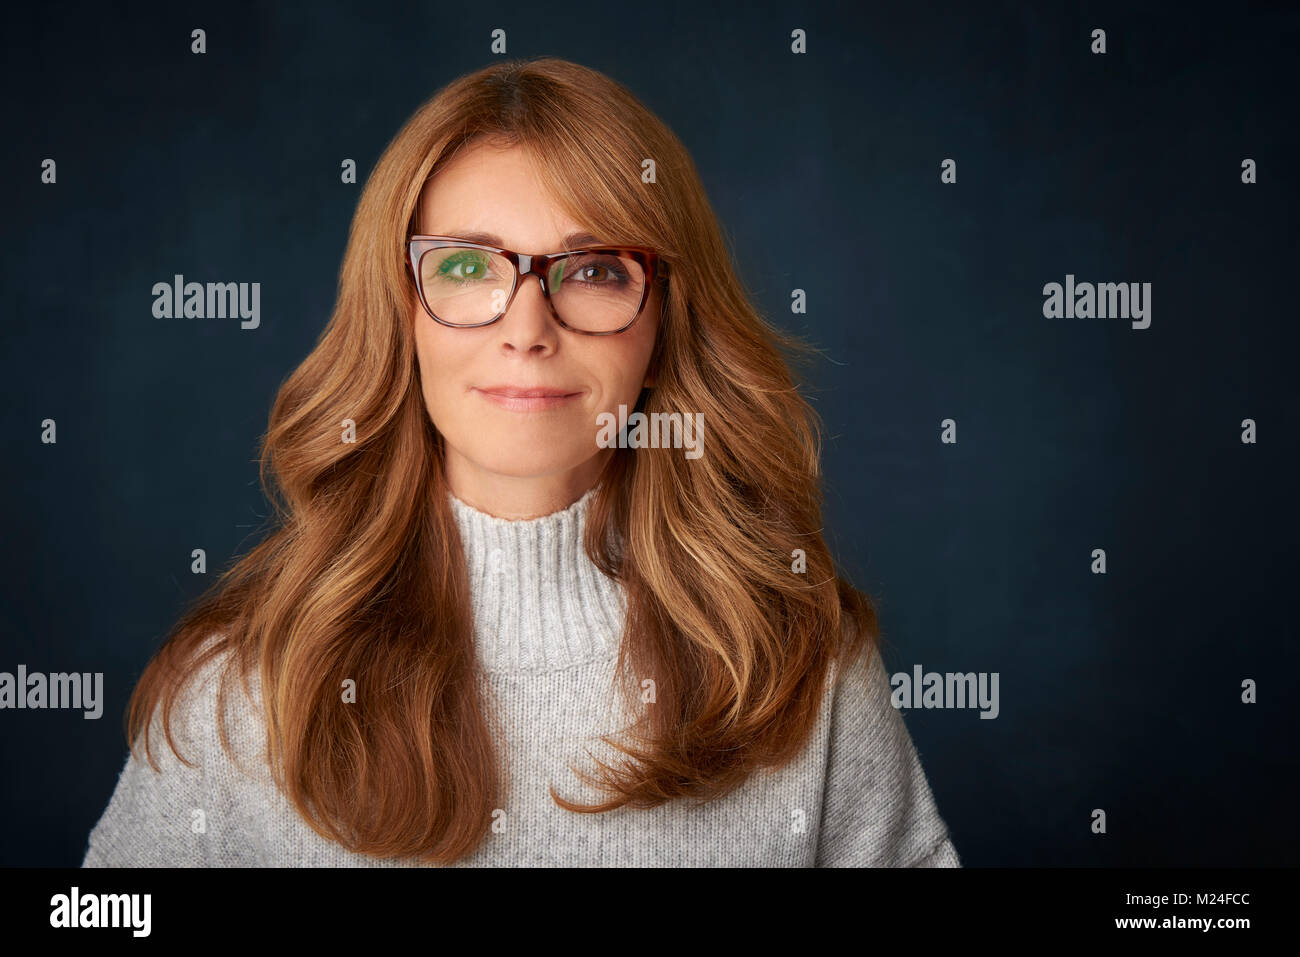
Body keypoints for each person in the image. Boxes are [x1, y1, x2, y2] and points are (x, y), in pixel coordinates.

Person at [82, 56, 960, 867]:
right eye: (467, 265)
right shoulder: (241, 685)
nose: (527, 329)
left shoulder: (800, 662)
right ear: (402, 314)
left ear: (664, 327)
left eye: (595, 270)